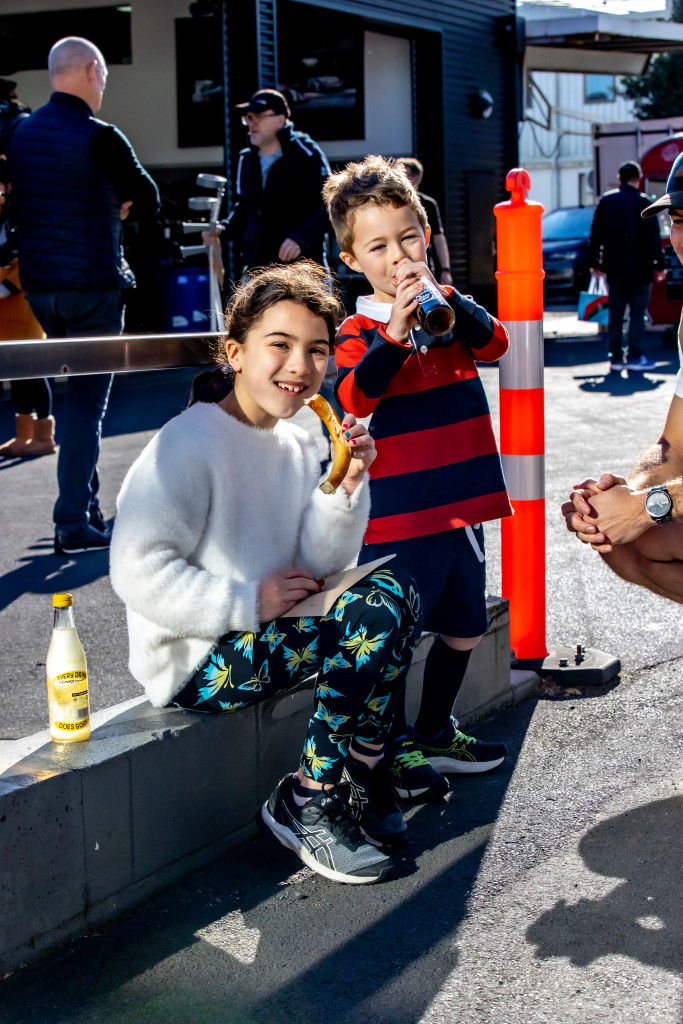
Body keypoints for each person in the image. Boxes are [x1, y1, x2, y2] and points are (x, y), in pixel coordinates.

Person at [109, 261, 423, 885]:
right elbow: (136, 570)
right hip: (198, 657)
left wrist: (345, 484)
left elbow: (320, 565)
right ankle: (308, 798)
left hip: (269, 628)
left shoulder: (302, 437)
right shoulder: (185, 443)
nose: (299, 366)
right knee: (373, 611)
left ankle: (363, 772)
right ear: (235, 352)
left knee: (400, 591)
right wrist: (248, 599)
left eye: (317, 350)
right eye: (279, 344)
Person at [323, 155, 511, 802]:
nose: (397, 256)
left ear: (426, 236)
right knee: (395, 641)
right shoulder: (356, 330)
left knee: (465, 625)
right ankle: (395, 745)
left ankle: (433, 730)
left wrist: (447, 299)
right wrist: (396, 332)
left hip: (462, 504)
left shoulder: (449, 308)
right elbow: (355, 396)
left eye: (407, 238)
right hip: (399, 515)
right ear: (352, 259)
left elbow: (495, 345)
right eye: (377, 246)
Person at [6, 36, 159, 554]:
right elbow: (150, 197)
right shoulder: (101, 135)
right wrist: (118, 203)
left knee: (77, 399)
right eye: (105, 77)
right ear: (92, 70)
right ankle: (72, 523)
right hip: (93, 286)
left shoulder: (20, 132)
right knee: (86, 405)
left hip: (41, 289)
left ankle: (85, 509)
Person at [562, 152, 683, 604]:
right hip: (633, 270)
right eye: (678, 220)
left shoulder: (607, 202)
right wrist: (628, 494)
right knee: (621, 540)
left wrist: (643, 508)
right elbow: (674, 446)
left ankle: (619, 354)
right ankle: (624, 354)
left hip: (617, 269)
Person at [203, 89, 330, 274]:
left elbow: (328, 207)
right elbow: (245, 210)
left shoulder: (306, 154)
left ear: (280, 119)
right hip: (258, 270)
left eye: (259, 116)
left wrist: (300, 239)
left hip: (303, 271)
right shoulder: (247, 159)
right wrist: (223, 230)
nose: (252, 123)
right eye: (249, 118)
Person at [589, 160, 665, 373]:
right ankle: (634, 355)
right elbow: (653, 238)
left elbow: (595, 235)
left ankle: (615, 357)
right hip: (641, 269)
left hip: (614, 269)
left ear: (619, 178)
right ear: (638, 178)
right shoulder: (644, 202)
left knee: (616, 314)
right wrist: (660, 266)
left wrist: (595, 263)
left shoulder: (607, 201)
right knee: (637, 314)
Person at [0, 185, 54, 458]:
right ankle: (24, 435)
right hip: (6, 306)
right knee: (16, 371)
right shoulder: (4, 214)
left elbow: (34, 258)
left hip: (22, 300)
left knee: (33, 369)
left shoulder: (26, 214)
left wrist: (8, 285)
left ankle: (43, 437)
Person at [398, 158, 453, 288]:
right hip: (397, 268)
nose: (400, 178)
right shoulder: (390, 204)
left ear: (416, 177)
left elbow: (438, 238)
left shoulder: (428, 204)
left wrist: (445, 269)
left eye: (404, 174)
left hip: (422, 268)